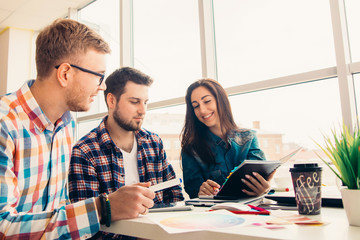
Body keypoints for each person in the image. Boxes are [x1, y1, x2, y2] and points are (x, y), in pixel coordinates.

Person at [0, 19, 155, 240]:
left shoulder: (66, 123)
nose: (102, 86)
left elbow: (56, 213)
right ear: (65, 74)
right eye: (99, 76)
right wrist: (103, 208)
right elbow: (2, 226)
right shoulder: (5, 124)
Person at [68, 67, 184, 239]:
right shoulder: (85, 151)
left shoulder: (154, 143)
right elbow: (86, 228)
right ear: (111, 100)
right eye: (134, 101)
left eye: (145, 102)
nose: (143, 110)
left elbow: (175, 197)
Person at [181, 78, 274, 199]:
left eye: (207, 101)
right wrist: (202, 192)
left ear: (221, 100)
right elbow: (194, 192)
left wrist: (264, 189)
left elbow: (261, 179)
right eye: (196, 106)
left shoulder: (249, 137)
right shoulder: (191, 149)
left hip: (252, 210)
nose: (202, 110)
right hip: (214, 214)